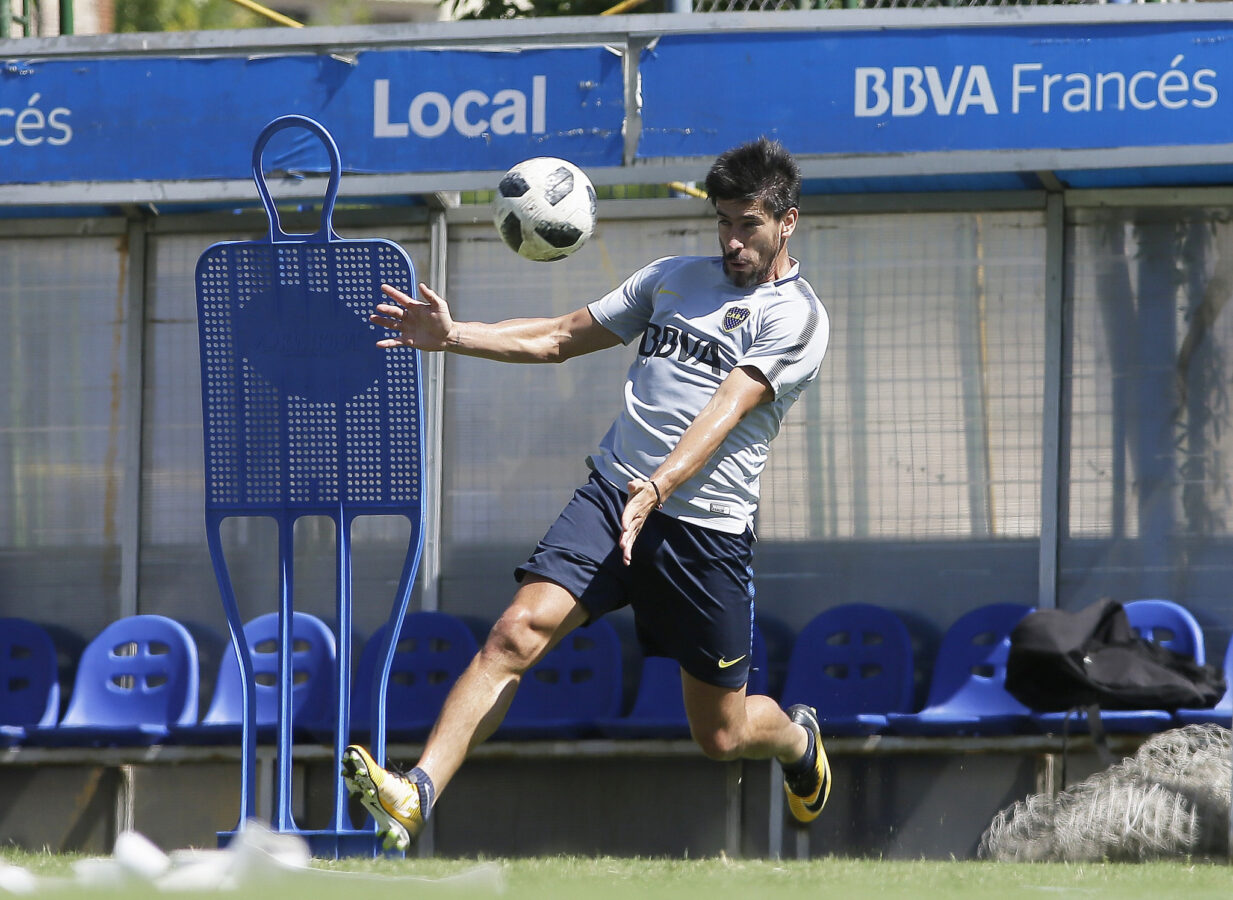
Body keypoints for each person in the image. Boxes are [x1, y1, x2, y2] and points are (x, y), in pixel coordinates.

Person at [342, 137, 832, 851]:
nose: (731, 240)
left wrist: (659, 488)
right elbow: (556, 336)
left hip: (703, 533)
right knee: (515, 632)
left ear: (787, 222)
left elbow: (724, 413)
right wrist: (451, 336)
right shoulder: (670, 278)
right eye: (722, 221)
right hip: (611, 497)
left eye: (747, 225)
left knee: (721, 735)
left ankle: (795, 742)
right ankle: (415, 794)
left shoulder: (795, 317)